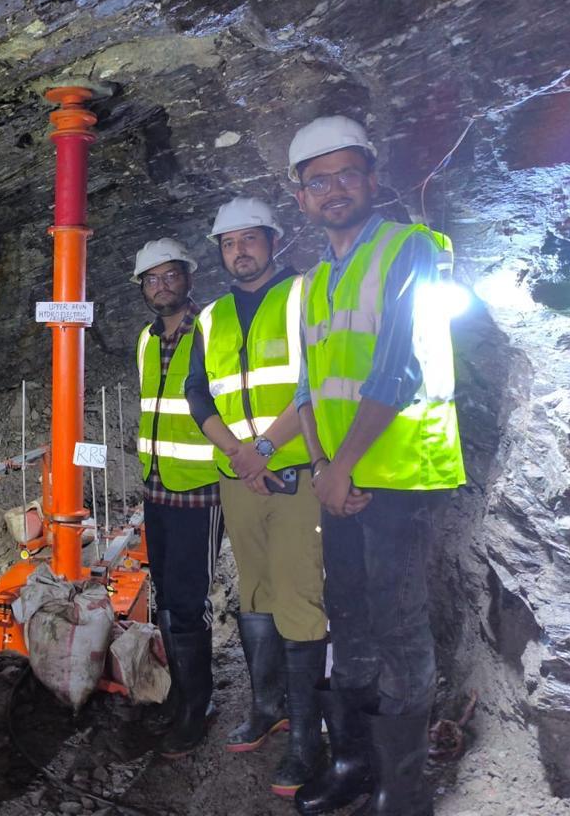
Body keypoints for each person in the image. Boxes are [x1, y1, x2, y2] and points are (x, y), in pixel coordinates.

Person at [286, 116, 465, 816]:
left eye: (346, 174)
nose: (335, 189)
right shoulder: (314, 284)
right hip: (343, 480)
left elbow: (399, 368)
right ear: (300, 196)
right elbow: (308, 390)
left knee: (398, 627)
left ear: (371, 176)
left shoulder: (408, 250)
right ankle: (355, 761)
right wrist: (326, 466)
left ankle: (403, 790)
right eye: (318, 180)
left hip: (395, 478)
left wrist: (343, 467)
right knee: (349, 619)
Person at [182, 198, 327, 797]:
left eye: (249, 239)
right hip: (239, 478)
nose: (238, 251)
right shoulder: (210, 317)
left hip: (292, 472)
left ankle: (307, 739)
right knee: (256, 593)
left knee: (299, 597)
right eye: (227, 243)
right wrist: (239, 456)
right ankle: (266, 706)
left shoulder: (304, 295)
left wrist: (261, 449)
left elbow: (317, 381)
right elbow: (198, 395)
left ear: (273, 240)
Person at [130, 238, 222, 758]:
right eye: (151, 279)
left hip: (201, 490)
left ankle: (197, 706)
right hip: (156, 486)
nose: (161, 285)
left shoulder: (210, 331)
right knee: (165, 594)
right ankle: (183, 694)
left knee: (189, 600)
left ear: (188, 278)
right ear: (142, 289)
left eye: (170, 276)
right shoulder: (145, 340)